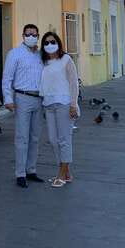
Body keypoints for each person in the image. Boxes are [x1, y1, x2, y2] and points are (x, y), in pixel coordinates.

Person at [1, 23, 45, 188]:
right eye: (28, 34)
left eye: (34, 34)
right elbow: (7, 78)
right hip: (22, 98)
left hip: (39, 99)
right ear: (23, 36)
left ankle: (31, 170)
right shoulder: (14, 54)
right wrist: (8, 99)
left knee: (35, 137)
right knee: (22, 137)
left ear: (38, 36)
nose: (31, 37)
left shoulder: (41, 55)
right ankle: (20, 173)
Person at [39, 32, 79, 188]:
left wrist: (73, 104)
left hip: (64, 103)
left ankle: (61, 174)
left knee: (64, 140)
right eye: (46, 43)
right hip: (48, 104)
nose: (49, 45)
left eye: (52, 41)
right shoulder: (44, 62)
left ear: (58, 43)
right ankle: (66, 171)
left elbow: (73, 83)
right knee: (53, 140)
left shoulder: (66, 59)